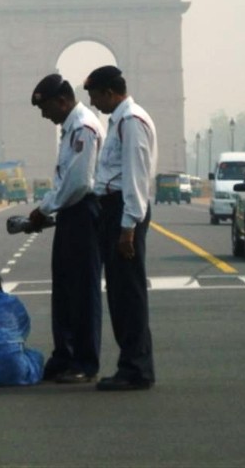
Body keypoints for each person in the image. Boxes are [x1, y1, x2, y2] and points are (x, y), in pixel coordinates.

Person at [84, 65, 158, 391]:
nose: (92, 103)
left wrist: (128, 227)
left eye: (94, 95)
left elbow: (136, 176)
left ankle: (137, 368)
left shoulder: (131, 122)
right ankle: (131, 364)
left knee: (128, 294)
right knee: (119, 292)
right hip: (113, 210)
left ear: (110, 92)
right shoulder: (119, 120)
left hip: (123, 214)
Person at [27, 73, 104, 384]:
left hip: (84, 212)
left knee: (83, 290)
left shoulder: (84, 127)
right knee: (64, 288)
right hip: (71, 213)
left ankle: (85, 361)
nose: (45, 116)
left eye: (46, 109)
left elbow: (80, 182)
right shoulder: (70, 127)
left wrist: (44, 208)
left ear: (62, 101)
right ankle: (65, 354)